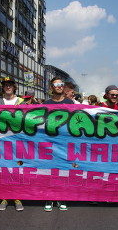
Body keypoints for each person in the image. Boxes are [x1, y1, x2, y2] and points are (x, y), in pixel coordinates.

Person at [0, 77, 24, 211]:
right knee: (3, 168)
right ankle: (4, 197)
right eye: (5, 85)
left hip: (18, 140)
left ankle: (17, 197)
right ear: (3, 87)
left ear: (14, 87)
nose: (8, 87)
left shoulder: (22, 102)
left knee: (17, 168)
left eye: (10, 84)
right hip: (1, 140)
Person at [43, 77, 73, 212]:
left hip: (65, 142)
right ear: (51, 87)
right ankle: (49, 197)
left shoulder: (70, 102)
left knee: (63, 170)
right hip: (49, 142)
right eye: (56, 84)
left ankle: (62, 197)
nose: (59, 86)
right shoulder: (46, 103)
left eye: (61, 84)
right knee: (49, 170)